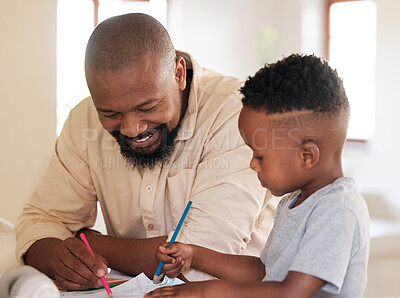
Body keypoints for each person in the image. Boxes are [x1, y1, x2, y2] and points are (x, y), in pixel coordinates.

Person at [15, 13, 276, 290]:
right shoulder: (84, 120)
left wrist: (87, 240)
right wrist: (60, 258)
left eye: (147, 107)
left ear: (178, 74)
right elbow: (38, 225)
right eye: (111, 114)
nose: (131, 128)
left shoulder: (239, 113)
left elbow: (201, 260)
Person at [146, 54, 370, 298]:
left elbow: (291, 292)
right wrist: (195, 255)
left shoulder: (338, 209)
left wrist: (204, 291)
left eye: (260, 155)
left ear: (307, 156)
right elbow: (264, 272)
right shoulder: (292, 202)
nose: (252, 164)